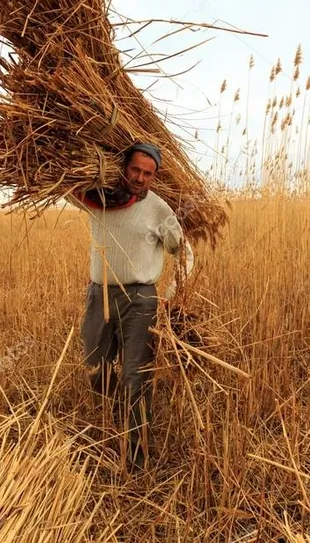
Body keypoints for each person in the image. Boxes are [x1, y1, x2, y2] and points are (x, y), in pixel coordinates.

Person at [67, 142, 187, 473]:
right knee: (95, 366)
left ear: (154, 176)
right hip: (99, 293)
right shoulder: (99, 197)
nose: (139, 178)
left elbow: (184, 252)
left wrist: (171, 294)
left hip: (141, 299)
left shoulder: (159, 210)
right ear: (123, 166)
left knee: (136, 375)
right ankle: (122, 413)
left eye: (148, 174)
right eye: (135, 169)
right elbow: (64, 185)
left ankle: (136, 455)